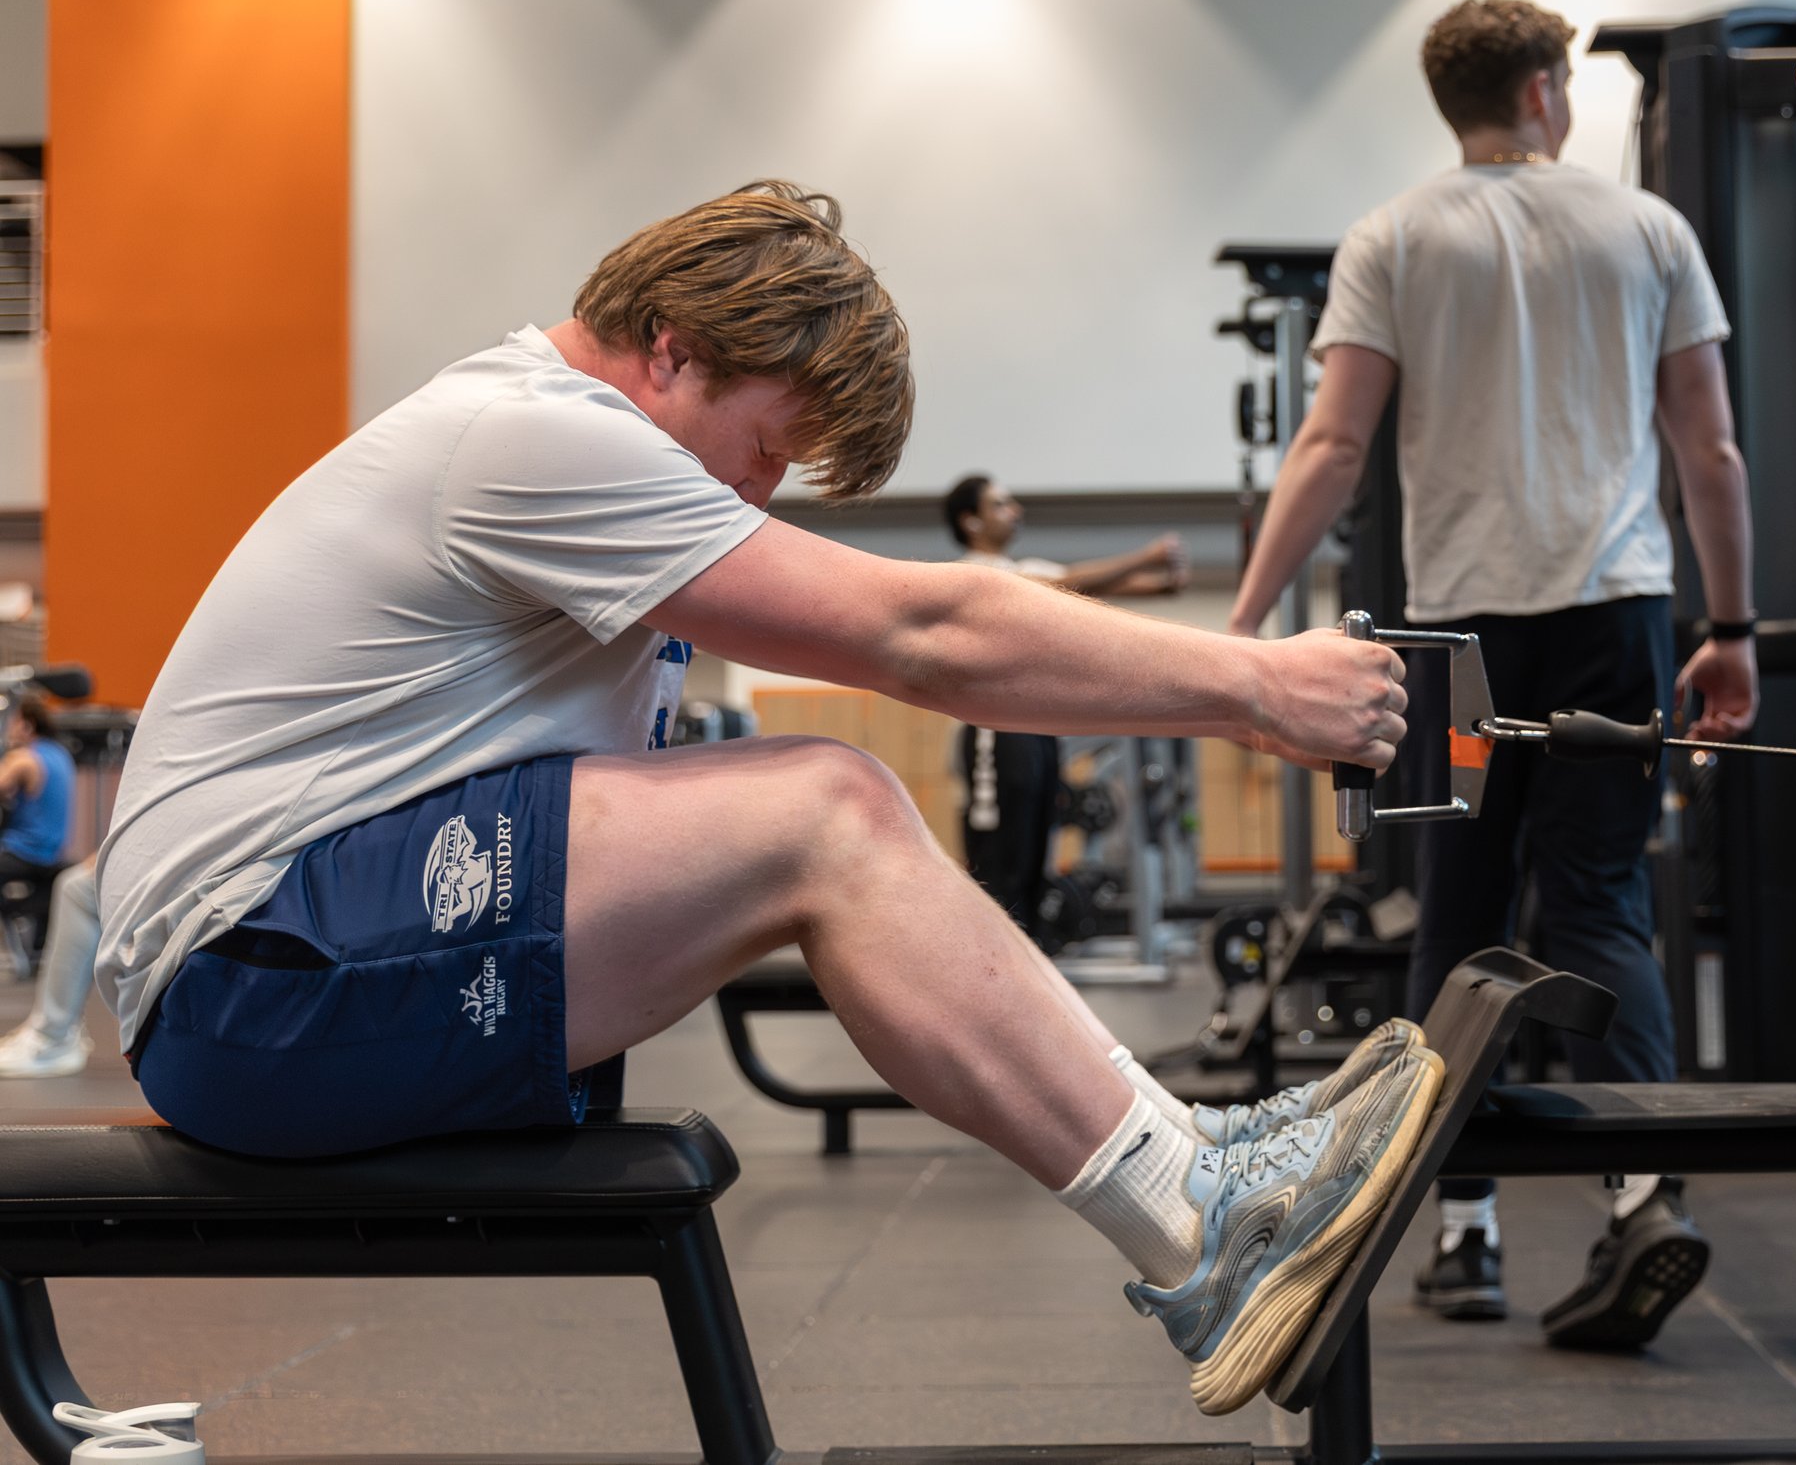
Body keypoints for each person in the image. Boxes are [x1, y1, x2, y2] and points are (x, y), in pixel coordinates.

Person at [93, 182, 1441, 1417]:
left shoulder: (549, 443)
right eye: (760, 447)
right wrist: (1255, 684)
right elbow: (922, 634)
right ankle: (1197, 1215)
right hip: (245, 976)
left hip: (298, 947)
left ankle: (1187, 1152)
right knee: (826, 810)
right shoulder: (534, 437)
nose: (755, 491)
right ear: (670, 348)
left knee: (808, 804)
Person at [1227, 0, 1759, 1348]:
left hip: (1452, 642)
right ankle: (1642, 1195)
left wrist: (1241, 625)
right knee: (1599, 905)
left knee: (1456, 921)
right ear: (1540, 88)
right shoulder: (1648, 230)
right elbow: (1710, 453)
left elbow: (1332, 448)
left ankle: (1459, 1227)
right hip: (1617, 614)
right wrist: (1733, 624)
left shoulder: (1395, 234)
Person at [941, 473, 1187, 937]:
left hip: (1034, 727)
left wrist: (1165, 581)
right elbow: (1067, 582)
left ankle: (1030, 957)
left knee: (1037, 856)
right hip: (993, 735)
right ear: (971, 521)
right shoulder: (973, 573)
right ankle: (992, 968)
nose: (1014, 511)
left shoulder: (1024, 567)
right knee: (1002, 864)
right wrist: (1149, 554)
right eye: (1000, 505)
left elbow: (1082, 586)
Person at [0, 854, 99, 1077]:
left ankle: (54, 1036)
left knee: (79, 889)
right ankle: (51, 1031)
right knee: (78, 884)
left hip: (30, 850)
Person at [0, 696, 77, 972]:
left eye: (13, 722)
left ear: (27, 726)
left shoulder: (24, 757)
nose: (9, 728)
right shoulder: (61, 755)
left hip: (24, 852)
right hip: (52, 853)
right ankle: (35, 948)